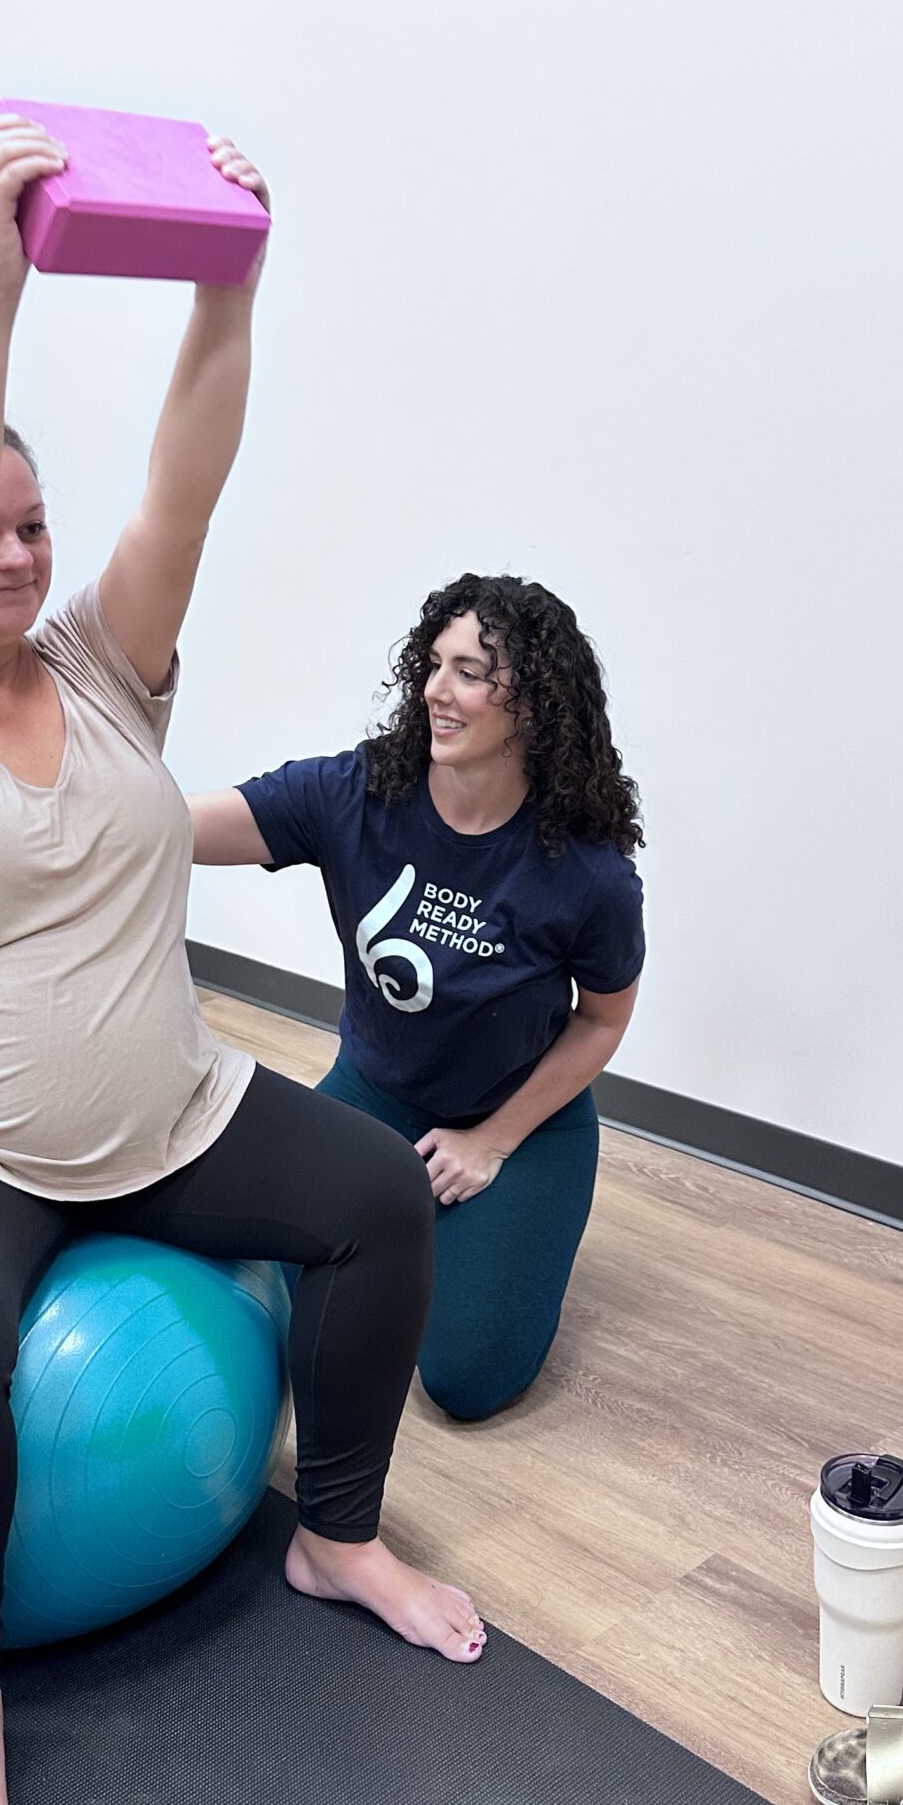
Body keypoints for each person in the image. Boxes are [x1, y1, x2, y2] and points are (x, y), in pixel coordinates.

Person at [0, 113, 483, 1805]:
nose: (8, 561)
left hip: (159, 1114)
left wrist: (231, 284)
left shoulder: (97, 669)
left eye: (33, 529)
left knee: (375, 1198)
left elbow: (185, 489)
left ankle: (336, 1539)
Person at [191, 575, 645, 1421]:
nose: (437, 688)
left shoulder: (588, 873)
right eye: (433, 664)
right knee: (255, 1267)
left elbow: (603, 1019)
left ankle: (464, 1224)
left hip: (515, 1118)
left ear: (533, 704)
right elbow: (181, 826)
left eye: (469, 672)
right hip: (374, 1095)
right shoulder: (361, 792)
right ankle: (410, 1219)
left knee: (465, 1382)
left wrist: (491, 1143)